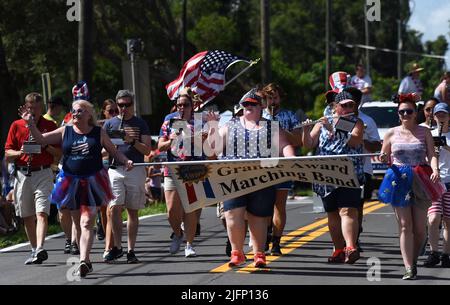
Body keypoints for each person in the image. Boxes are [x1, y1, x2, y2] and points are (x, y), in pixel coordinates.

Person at [19, 98, 133, 277]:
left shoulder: (98, 132)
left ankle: (83, 260)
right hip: (70, 181)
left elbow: (114, 151)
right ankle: (85, 260)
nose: (76, 113)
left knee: (87, 222)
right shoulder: (66, 131)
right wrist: (30, 124)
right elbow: (40, 140)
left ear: (89, 114)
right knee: (77, 224)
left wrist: (126, 161)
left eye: (80, 111)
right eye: (74, 110)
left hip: (93, 181)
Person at [206, 88, 296, 268]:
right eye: (245, 104)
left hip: (262, 178)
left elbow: (285, 146)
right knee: (232, 214)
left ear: (261, 107)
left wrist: (291, 160)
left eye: (252, 104)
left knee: (259, 217)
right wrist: (212, 127)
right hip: (233, 177)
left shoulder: (271, 127)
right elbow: (212, 151)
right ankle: (237, 252)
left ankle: (258, 254)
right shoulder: (229, 125)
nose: (248, 107)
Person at [378, 93, 441, 280]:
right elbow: (384, 155)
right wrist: (383, 157)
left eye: (409, 111)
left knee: (420, 229)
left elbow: (432, 154)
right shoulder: (391, 133)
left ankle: (413, 260)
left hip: (421, 177)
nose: (405, 115)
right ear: (398, 114)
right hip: (398, 178)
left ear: (416, 113)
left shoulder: (425, 132)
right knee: (405, 226)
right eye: (401, 112)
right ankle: (408, 267)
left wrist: (435, 168)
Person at [303, 87, 365, 265]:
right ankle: (338, 249)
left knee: (348, 210)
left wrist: (336, 127)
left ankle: (350, 247)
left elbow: (355, 141)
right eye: (344, 106)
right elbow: (309, 144)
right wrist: (306, 130)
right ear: (335, 106)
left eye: (350, 105)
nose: (348, 109)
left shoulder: (356, 122)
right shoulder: (323, 121)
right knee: (332, 214)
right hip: (325, 174)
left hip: (348, 172)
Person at [4, 93, 60, 265]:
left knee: (41, 212)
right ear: (26, 108)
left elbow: (58, 153)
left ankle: (41, 247)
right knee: (27, 216)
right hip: (22, 174)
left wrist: (44, 144)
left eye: (37, 108)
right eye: (31, 108)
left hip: (43, 173)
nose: (34, 112)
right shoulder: (16, 125)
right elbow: (7, 153)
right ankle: (34, 250)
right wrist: (21, 152)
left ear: (41, 108)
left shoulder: (50, 125)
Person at [103, 90, 151, 264]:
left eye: (127, 105)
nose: (124, 108)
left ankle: (131, 250)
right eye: (121, 105)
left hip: (136, 169)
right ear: (117, 105)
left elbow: (147, 150)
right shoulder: (109, 124)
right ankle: (117, 246)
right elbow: (103, 148)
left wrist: (132, 141)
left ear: (133, 105)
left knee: (132, 210)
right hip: (115, 169)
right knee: (114, 207)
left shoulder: (140, 123)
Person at [158, 87, 203, 257]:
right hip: (172, 168)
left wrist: (194, 137)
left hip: (193, 169)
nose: (181, 108)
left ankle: (189, 244)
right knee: (171, 210)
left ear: (192, 107)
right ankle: (178, 233)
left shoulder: (199, 122)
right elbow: (160, 146)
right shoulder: (169, 121)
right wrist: (171, 139)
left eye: (185, 105)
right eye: (179, 105)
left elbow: (206, 146)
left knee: (190, 208)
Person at [261, 83, 302, 256]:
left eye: (275, 97)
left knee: (279, 205)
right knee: (263, 205)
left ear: (280, 98)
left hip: (283, 165)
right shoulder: (259, 115)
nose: (272, 101)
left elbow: (299, 140)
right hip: (263, 165)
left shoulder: (289, 115)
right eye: (269, 98)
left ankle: (276, 242)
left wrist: (282, 131)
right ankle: (264, 235)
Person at [423, 102, 450, 268]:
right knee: (433, 218)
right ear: (433, 116)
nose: (441, 117)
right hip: (433, 181)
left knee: (448, 220)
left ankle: (446, 254)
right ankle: (433, 252)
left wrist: (445, 146)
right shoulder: (428, 133)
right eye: (438, 114)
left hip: (449, 180)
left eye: (444, 114)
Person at [96, 99, 118, 242]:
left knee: (116, 206)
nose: (114, 114)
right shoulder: (98, 129)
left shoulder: (120, 126)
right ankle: (108, 242)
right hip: (102, 168)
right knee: (104, 207)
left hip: (118, 168)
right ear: (104, 112)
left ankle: (116, 240)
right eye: (111, 111)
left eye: (116, 111)